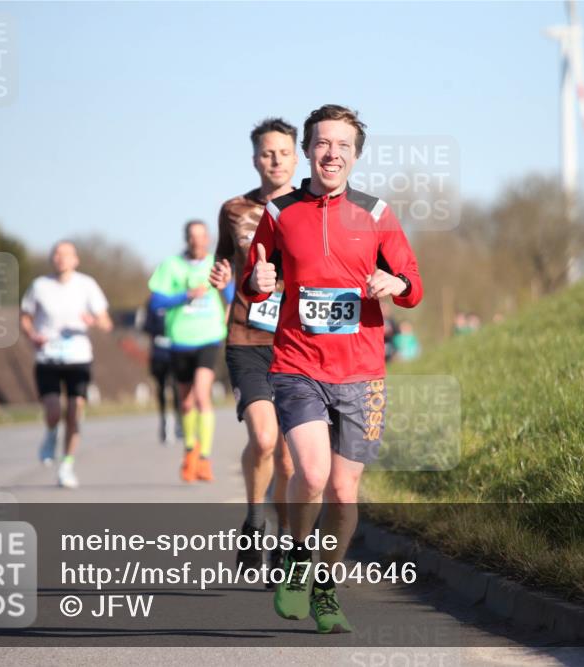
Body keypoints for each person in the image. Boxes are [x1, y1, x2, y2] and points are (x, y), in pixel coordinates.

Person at [241, 104, 423, 633]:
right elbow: (254, 281)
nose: (331, 153)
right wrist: (257, 280)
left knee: (344, 492)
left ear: (356, 156)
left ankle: (325, 585)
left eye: (343, 145)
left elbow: (413, 283)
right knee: (313, 473)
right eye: (322, 143)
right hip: (298, 364)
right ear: (307, 150)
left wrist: (397, 284)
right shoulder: (279, 213)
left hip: (363, 373)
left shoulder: (376, 214)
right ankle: (297, 556)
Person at [208, 118, 296, 578]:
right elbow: (224, 257)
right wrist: (221, 274)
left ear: (296, 157)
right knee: (263, 439)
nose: (275, 160)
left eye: (284, 152)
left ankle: (282, 538)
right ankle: (254, 519)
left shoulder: (312, 207)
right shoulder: (234, 210)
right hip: (247, 337)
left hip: (296, 342)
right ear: (255, 159)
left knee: (288, 459)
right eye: (267, 153)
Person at [21, 240, 112, 489]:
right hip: (47, 357)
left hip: (78, 358)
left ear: (76, 259)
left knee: (74, 411)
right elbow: (25, 318)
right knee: (53, 411)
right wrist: (32, 335)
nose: (61, 258)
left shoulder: (87, 285)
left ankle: (67, 466)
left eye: (66, 254)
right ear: (52, 259)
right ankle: (51, 434)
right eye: (57, 254)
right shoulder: (40, 286)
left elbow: (106, 323)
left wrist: (93, 320)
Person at [148, 221, 228, 482]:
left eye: (202, 236)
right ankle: (190, 450)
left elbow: (232, 293)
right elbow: (156, 301)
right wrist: (185, 296)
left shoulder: (217, 262)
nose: (197, 241)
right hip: (180, 339)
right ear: (186, 239)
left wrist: (229, 316)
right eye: (192, 236)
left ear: (209, 238)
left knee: (202, 395)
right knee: (185, 401)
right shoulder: (171, 265)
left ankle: (205, 458)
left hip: (209, 337)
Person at [142, 301, 182, 444]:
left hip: (175, 352)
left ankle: (179, 421)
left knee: (177, 387)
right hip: (158, 355)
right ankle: (163, 419)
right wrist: (160, 329)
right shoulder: (153, 303)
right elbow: (146, 326)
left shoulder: (178, 300)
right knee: (161, 388)